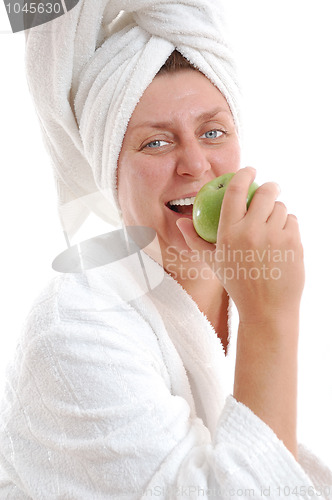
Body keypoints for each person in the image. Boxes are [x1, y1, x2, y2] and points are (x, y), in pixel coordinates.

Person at [0, 1, 331, 498]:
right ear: (111, 172)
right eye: (156, 143)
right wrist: (269, 321)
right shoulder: (72, 329)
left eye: (213, 132)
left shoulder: (278, 269)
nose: (196, 164)